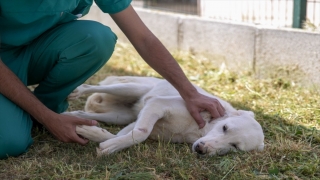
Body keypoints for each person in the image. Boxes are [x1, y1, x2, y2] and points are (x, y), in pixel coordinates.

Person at [0, 0, 225, 159]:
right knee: (9, 144)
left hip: (33, 52)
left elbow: (144, 38)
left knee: (96, 38)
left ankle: (45, 109)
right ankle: (40, 115)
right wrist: (47, 118)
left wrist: (189, 92)